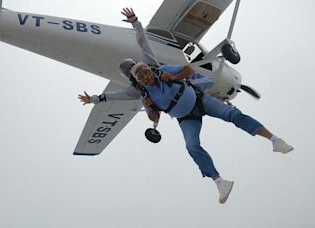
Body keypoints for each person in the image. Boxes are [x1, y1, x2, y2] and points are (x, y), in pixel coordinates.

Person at [79, 8, 294, 204]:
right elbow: (128, 104)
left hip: (200, 100)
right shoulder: (141, 92)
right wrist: (98, 100)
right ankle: (220, 182)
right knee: (192, 147)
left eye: (144, 70)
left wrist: (137, 24)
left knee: (231, 114)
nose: (145, 75)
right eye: (139, 75)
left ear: (146, 67)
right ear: (136, 80)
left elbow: (185, 67)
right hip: (185, 118)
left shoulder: (158, 68)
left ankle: (275, 140)